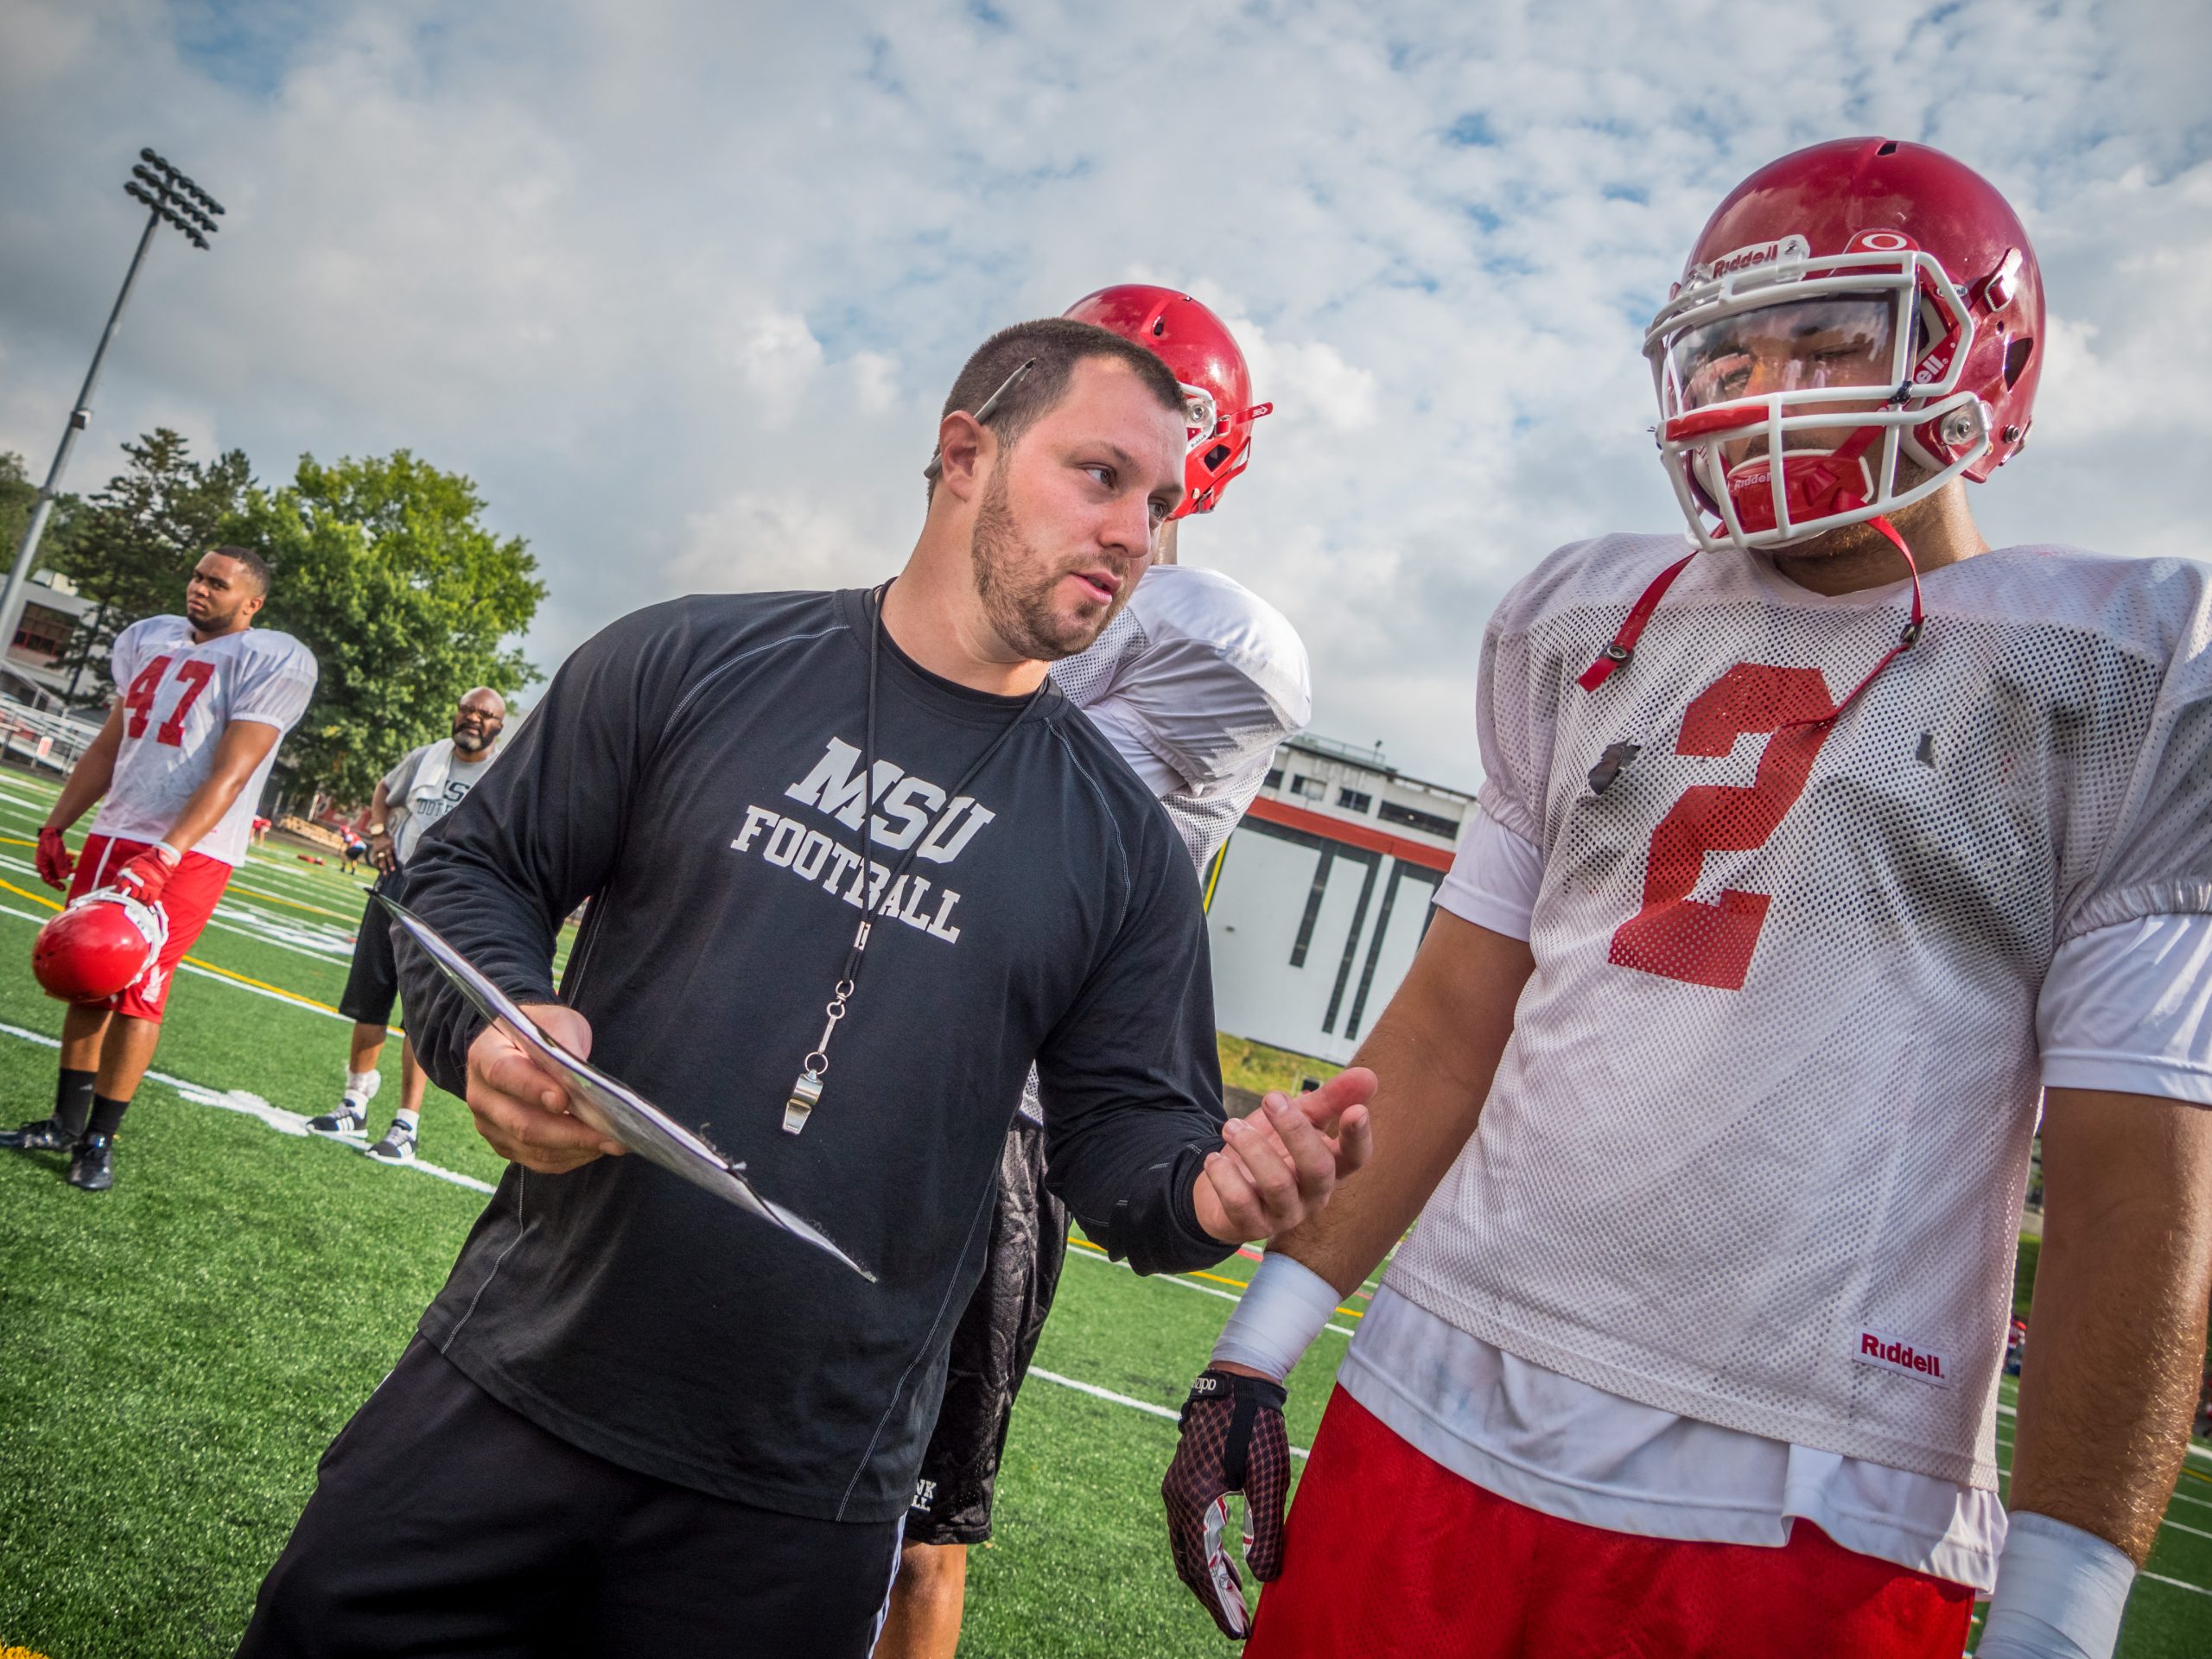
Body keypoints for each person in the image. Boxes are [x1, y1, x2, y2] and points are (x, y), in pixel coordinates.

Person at [1161, 137, 2212, 1659]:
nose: (1768, 383)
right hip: (1438, 1394)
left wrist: (2060, 1614)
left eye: (1835, 338)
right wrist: (1257, 1350)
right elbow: (1453, 1024)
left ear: (1984, 355)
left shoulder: (2116, 670)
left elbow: (2136, 1180)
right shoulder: (1581, 613)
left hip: (1813, 1494)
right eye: (1733, 345)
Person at [238, 315, 1374, 1657]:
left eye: (1162, 500)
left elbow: (1129, 1148)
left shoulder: (1117, 845)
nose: (1136, 532)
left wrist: (1212, 1192)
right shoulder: (691, 661)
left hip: (798, 1497)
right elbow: (478, 870)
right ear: (964, 454)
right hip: (513, 1384)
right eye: (1099, 477)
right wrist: (495, 1019)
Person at [879, 286, 1308, 1659]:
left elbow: (998, 798)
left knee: (920, 1532)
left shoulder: (1210, 633)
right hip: (834, 1048)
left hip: (992, 1110)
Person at [1, 547, 318, 1192]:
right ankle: (65, 1121)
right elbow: (108, 743)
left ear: (251, 603)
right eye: (198, 576)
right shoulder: (149, 638)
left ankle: (99, 1138)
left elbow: (234, 771)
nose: (199, 588)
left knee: (139, 989)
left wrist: (167, 852)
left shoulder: (270, 658)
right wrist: (58, 823)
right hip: (116, 829)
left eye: (217, 583)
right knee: (84, 972)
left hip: (190, 850)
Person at [307, 687, 508, 1165]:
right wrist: (378, 834)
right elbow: (383, 790)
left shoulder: (505, 773)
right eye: (468, 710)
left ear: (499, 726)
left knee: (419, 1013)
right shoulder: (426, 757)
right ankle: (354, 1104)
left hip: (448, 898)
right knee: (370, 997)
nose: (474, 719)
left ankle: (406, 1126)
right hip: (397, 883)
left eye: (486, 714)